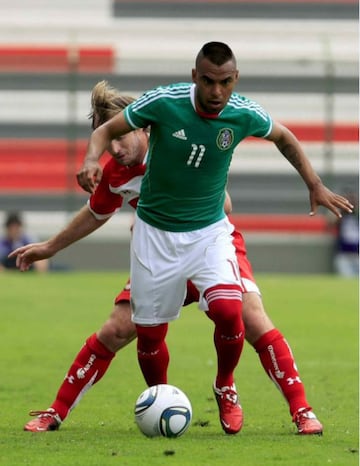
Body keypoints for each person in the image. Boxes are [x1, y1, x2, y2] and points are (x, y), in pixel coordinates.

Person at [12, 77, 352, 435]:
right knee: (117, 329)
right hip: (159, 250)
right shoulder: (116, 172)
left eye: (119, 136)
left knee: (248, 316)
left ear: (141, 128)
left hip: (207, 244)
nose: (114, 147)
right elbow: (95, 214)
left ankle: (290, 406)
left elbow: (226, 204)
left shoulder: (174, 142)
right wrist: (49, 247)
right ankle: (59, 410)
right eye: (107, 140)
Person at [333, 190, 359, 277]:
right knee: (346, 281)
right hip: (344, 255)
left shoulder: (357, 216)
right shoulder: (341, 215)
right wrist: (342, 210)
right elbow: (330, 223)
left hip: (358, 255)